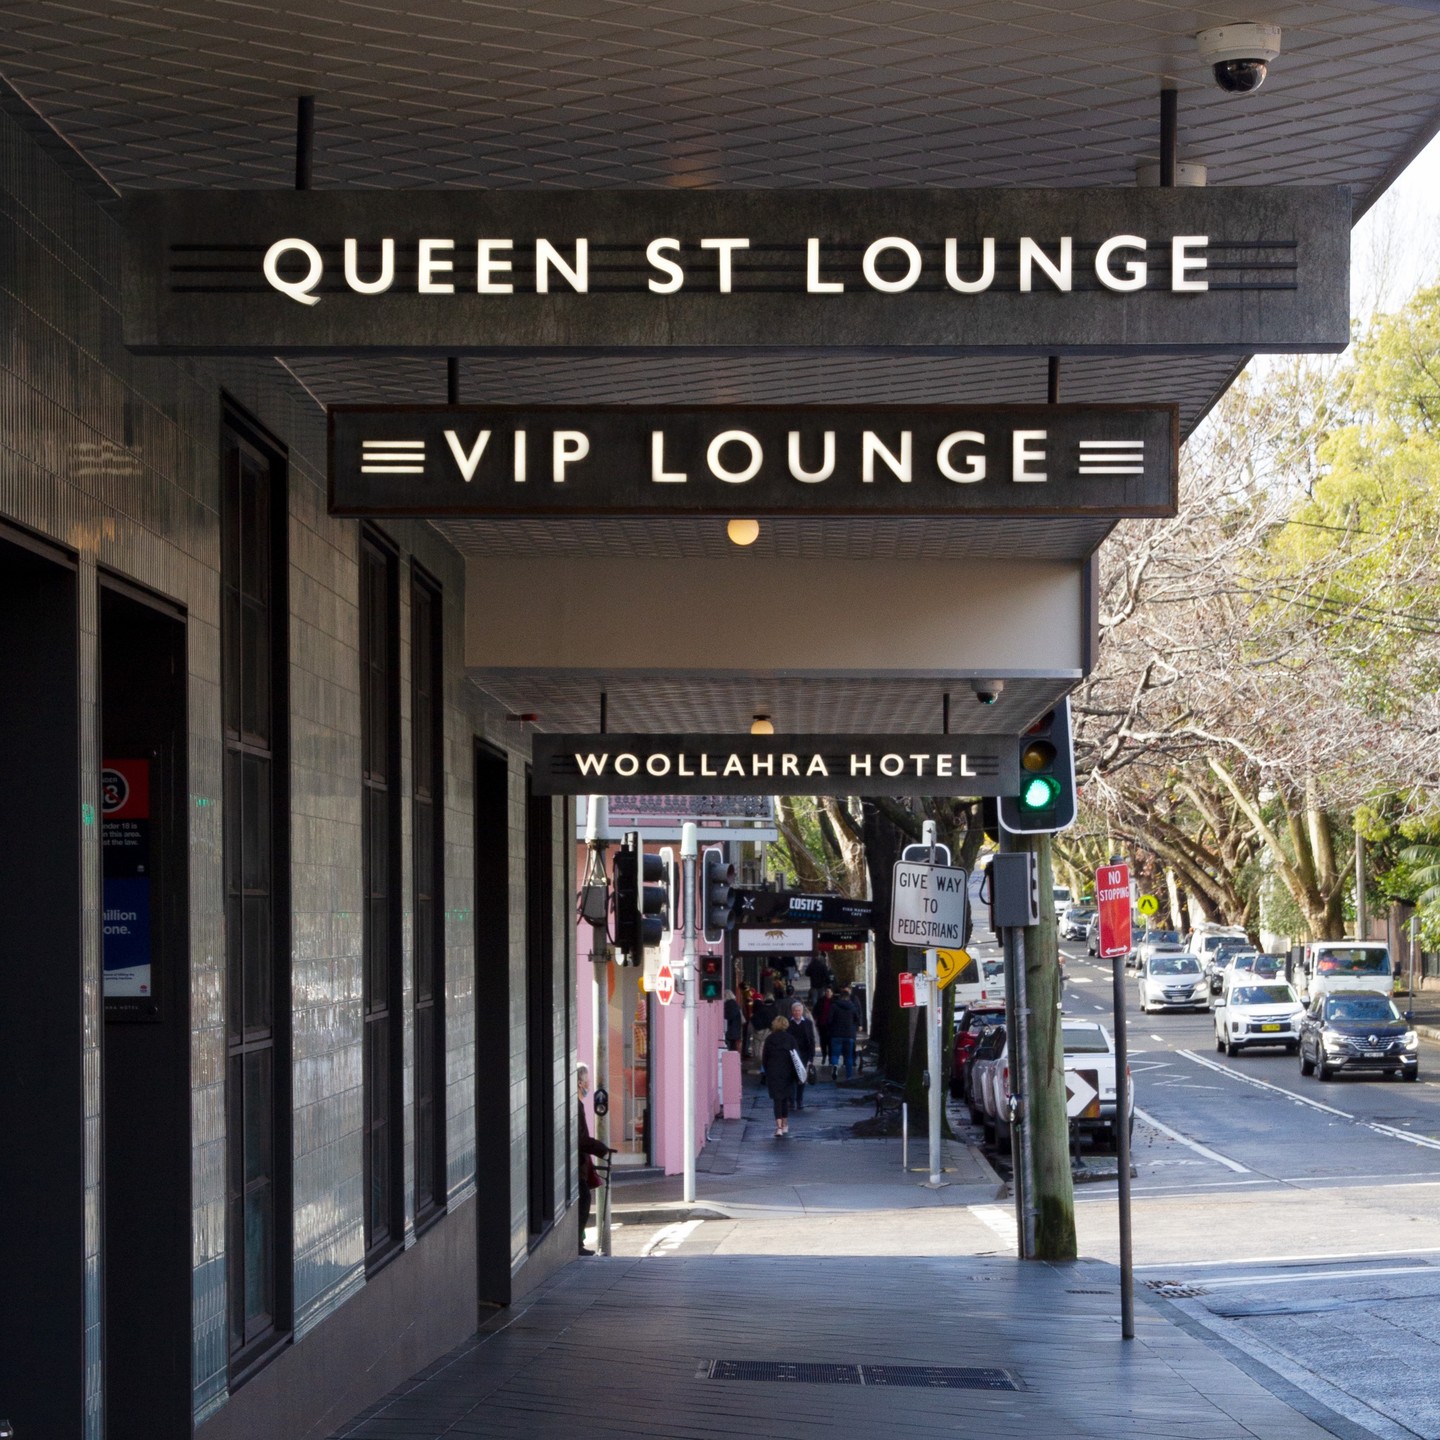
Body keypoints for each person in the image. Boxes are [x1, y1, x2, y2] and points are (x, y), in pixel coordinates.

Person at [576, 1063, 613, 1255]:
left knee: (584, 1197)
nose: (588, 1086)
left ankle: (578, 1243)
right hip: (576, 1165)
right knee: (583, 1198)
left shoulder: (576, 1104)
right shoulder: (576, 1106)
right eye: (586, 1081)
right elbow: (580, 1139)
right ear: (580, 1083)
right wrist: (602, 1149)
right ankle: (577, 1244)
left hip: (580, 1164)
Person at [760, 1016, 801, 1137]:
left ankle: (778, 1127)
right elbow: (796, 1058)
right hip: (787, 1072)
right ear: (785, 1025)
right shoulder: (790, 1039)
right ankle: (785, 1124)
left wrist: (767, 1071)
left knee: (777, 1100)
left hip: (773, 1072)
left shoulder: (769, 1039)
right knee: (785, 1099)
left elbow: (765, 1058)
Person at [787, 1000, 819, 1110]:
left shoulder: (808, 1023)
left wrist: (812, 1055)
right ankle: (791, 1100)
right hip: (791, 1053)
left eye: (799, 1011)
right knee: (791, 1078)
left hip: (804, 1054)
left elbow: (811, 1039)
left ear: (802, 1011)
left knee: (801, 1077)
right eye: (795, 1011)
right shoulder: (788, 1023)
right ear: (792, 1012)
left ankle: (799, 1100)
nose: (797, 1013)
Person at [828, 986, 860, 1079]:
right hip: (849, 1034)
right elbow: (857, 1019)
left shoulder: (834, 1006)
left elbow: (829, 1020)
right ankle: (848, 1075)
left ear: (840, 997)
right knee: (848, 1056)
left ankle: (835, 1065)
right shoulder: (852, 1007)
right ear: (848, 997)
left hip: (836, 1034)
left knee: (835, 1054)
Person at [813, 986, 835, 1066]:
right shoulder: (821, 1000)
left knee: (830, 1042)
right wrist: (816, 1018)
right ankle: (824, 1055)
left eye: (829, 992)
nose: (828, 993)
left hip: (831, 1025)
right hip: (822, 1024)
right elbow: (815, 1010)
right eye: (826, 992)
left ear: (832, 993)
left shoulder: (834, 1001)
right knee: (823, 1041)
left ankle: (830, 1057)